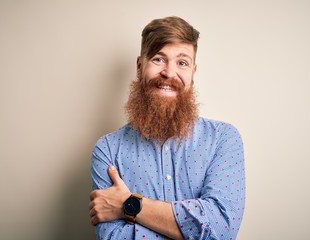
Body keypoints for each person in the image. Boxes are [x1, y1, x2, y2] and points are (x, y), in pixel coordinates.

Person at [89, 16, 245, 240]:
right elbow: (114, 237)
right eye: (159, 59)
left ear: (193, 72)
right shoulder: (107, 150)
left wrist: (128, 205)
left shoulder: (223, 139)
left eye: (182, 63)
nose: (169, 73)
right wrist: (194, 226)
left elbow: (221, 230)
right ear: (140, 66)